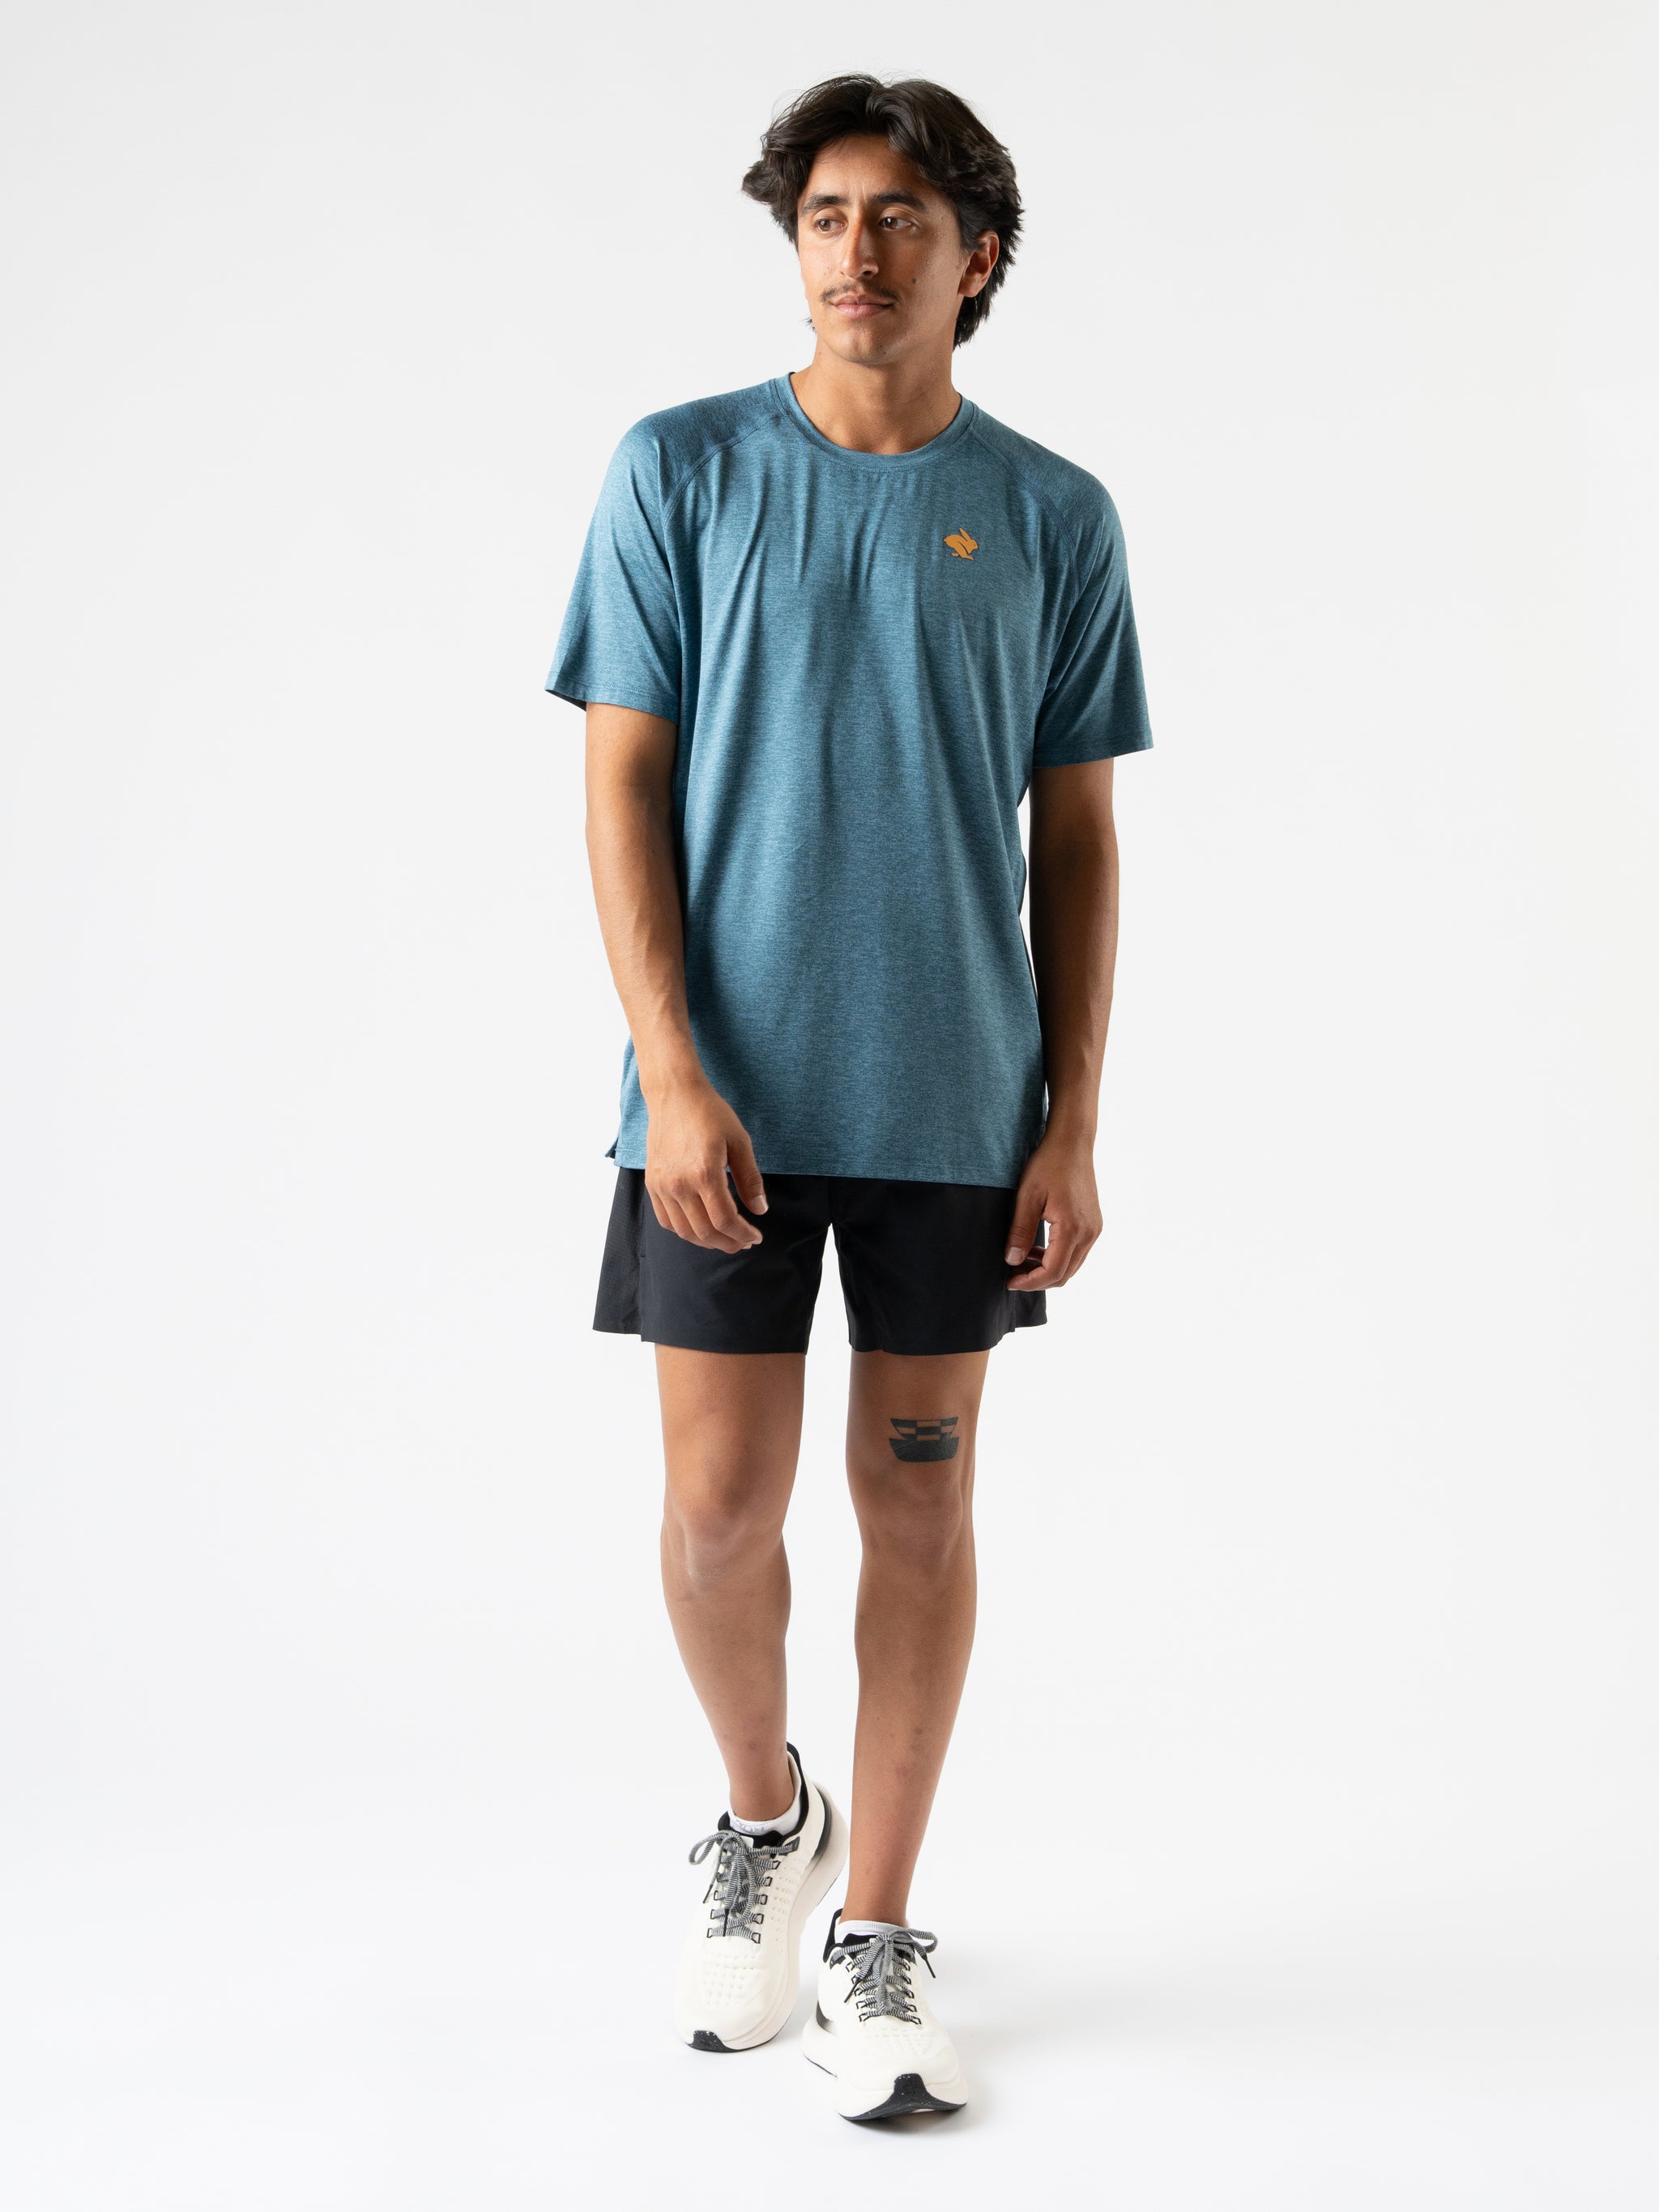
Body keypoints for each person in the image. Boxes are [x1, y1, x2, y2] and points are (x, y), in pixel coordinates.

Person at [546, 73, 1153, 2123]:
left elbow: (1078, 836)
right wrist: (674, 1067)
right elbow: (622, 785)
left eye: (898, 217)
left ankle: (877, 1930)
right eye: (822, 214)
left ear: (975, 258)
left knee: (917, 1500)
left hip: (952, 1108)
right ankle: (765, 1817)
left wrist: (1071, 1116)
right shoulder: (682, 469)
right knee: (718, 1517)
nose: (854, 250)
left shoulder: (1053, 514)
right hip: (717, 1104)